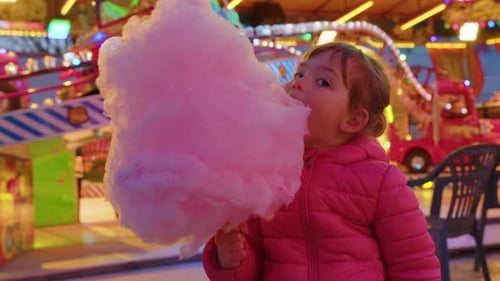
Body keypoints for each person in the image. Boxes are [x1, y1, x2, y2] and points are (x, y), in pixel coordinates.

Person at [202, 41, 441, 281]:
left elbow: (414, 265)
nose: (299, 82)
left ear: (353, 120)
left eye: (323, 82)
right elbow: (253, 267)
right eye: (300, 73)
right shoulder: (267, 175)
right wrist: (231, 258)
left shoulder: (380, 181)